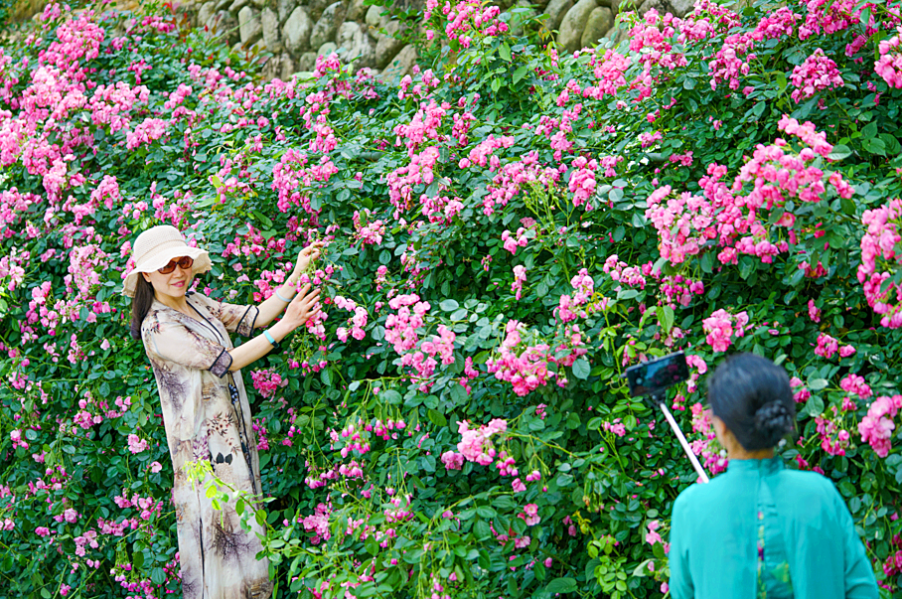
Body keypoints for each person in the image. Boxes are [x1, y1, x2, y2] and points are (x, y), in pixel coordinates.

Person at [123, 225, 323, 599]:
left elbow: (256, 317)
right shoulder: (159, 326)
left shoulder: (195, 302)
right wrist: (289, 324)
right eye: (166, 267)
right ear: (147, 275)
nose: (178, 273)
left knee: (244, 528)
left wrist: (297, 273)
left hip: (231, 435)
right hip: (203, 448)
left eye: (182, 262)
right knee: (224, 534)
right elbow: (227, 362)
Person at [668, 353, 879, 599]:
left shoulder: (691, 507)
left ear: (721, 425)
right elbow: (862, 590)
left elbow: (683, 593)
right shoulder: (821, 495)